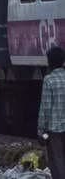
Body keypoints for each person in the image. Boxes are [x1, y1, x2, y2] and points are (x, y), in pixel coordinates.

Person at [39, 46, 65, 178]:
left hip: (54, 130)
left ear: (49, 62)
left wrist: (41, 131)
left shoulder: (49, 80)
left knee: (57, 160)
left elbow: (45, 108)